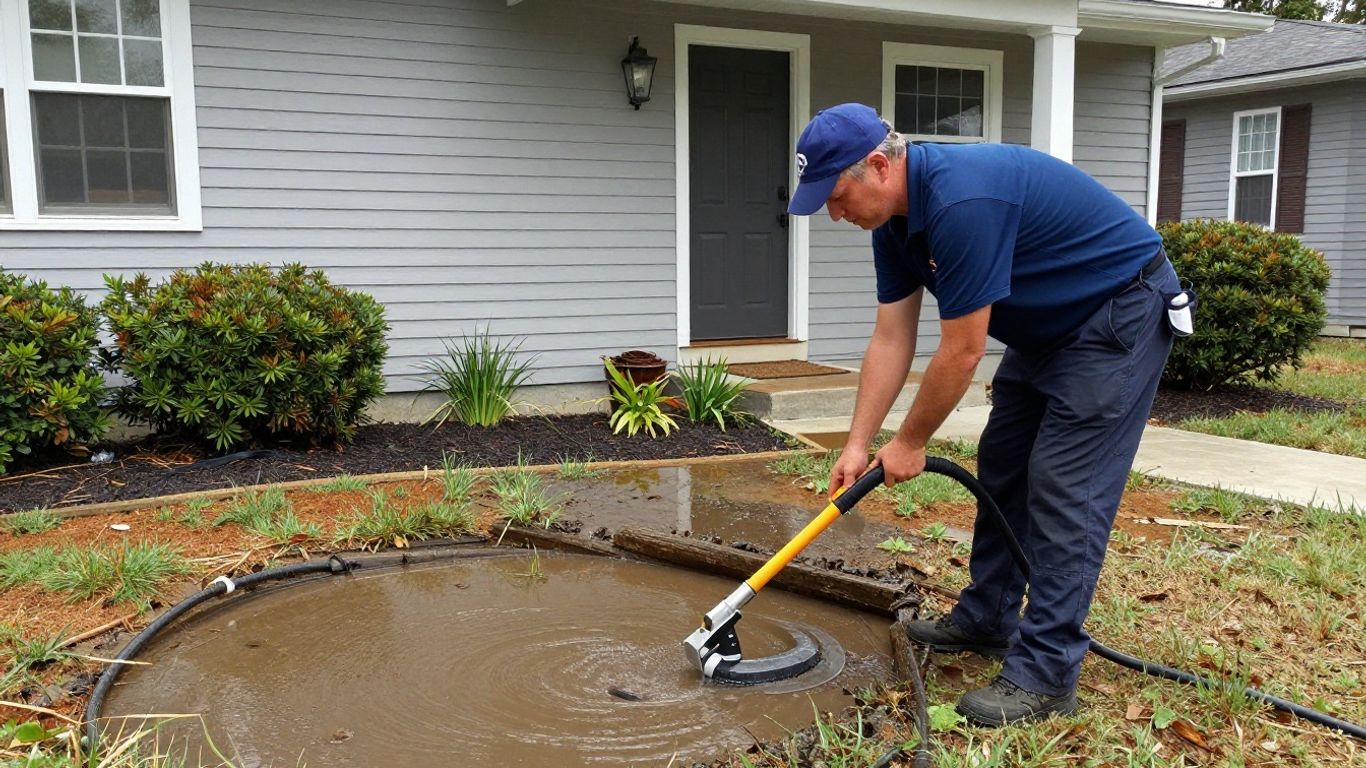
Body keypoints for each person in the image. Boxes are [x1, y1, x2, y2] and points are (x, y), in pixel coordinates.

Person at [787, 103, 1184, 726]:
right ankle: (989, 617)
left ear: (879, 167)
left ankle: (1047, 672)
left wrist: (910, 441)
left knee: (1064, 483)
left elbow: (963, 350)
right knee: (1002, 463)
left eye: (836, 197)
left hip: (1118, 310)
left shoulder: (962, 202)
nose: (835, 214)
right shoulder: (893, 225)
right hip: (1047, 328)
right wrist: (858, 443)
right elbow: (892, 337)